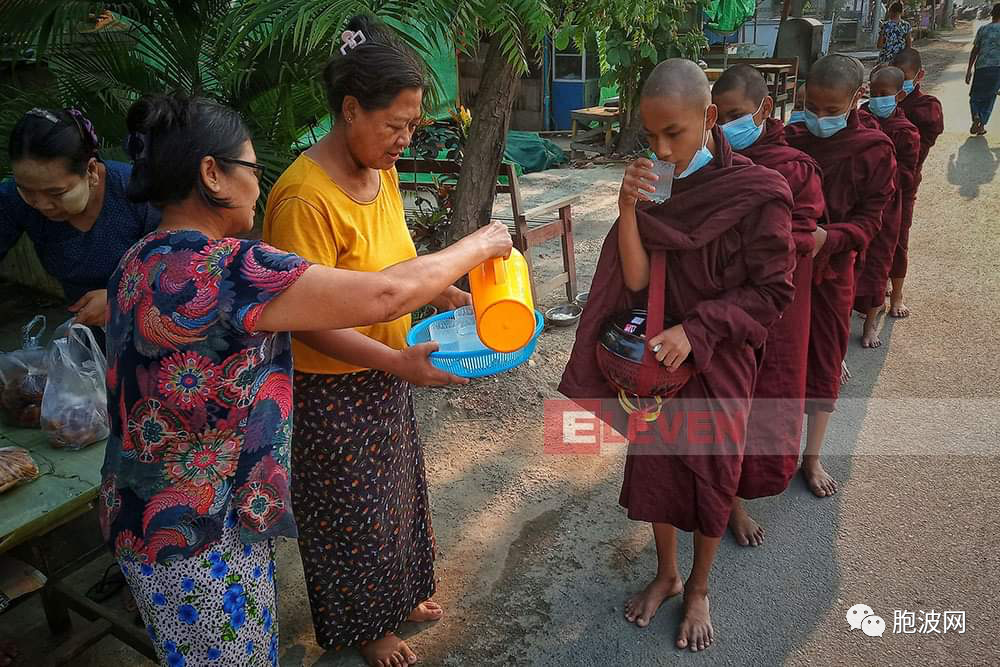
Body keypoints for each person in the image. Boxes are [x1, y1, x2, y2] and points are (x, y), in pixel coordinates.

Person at [100, 93, 511, 667]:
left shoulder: (140, 257)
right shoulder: (231, 268)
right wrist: (480, 245)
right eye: (251, 169)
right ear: (211, 173)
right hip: (199, 530)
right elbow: (383, 293)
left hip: (146, 515)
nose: (259, 185)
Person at [561, 58, 796, 651]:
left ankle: (699, 586)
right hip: (659, 366)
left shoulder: (757, 192)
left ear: (709, 118)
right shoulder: (654, 186)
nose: (663, 149)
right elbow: (636, 282)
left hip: (719, 358)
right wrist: (626, 211)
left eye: (676, 134)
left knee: (714, 472)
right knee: (658, 468)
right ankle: (666, 572)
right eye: (653, 135)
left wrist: (698, 329)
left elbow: (772, 291)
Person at [260, 15, 469, 667]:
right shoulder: (301, 198)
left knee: (397, 496)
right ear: (350, 109)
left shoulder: (383, 170)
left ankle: (400, 595)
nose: (404, 140)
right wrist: (396, 360)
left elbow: (390, 264)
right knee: (350, 520)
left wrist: (439, 293)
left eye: (412, 126)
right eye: (394, 125)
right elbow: (309, 318)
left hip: (384, 373)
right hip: (330, 388)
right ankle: (366, 626)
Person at [712, 64, 827, 546]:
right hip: (721, 298)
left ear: (763, 109)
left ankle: (753, 485)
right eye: (717, 118)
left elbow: (807, 232)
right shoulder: (707, 160)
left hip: (775, 302)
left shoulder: (792, 166)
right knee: (726, 401)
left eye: (736, 115)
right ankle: (729, 501)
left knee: (769, 395)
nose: (724, 129)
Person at [785, 55, 897, 497]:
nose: (819, 118)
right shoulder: (791, 137)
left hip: (831, 272)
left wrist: (827, 238)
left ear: (857, 99)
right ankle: (769, 451)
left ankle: (811, 458)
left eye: (832, 110)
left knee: (827, 362)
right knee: (777, 364)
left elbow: (872, 221)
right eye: (812, 106)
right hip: (784, 273)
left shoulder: (873, 149)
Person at [1, 108, 160, 330]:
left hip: (154, 324)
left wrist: (119, 300)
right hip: (84, 331)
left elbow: (183, 268)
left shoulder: (137, 193)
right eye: (26, 190)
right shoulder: (14, 201)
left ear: (91, 170)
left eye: (56, 193)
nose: (41, 204)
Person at [856, 67, 920, 346]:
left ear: (900, 95)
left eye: (885, 95)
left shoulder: (906, 132)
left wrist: (880, 172)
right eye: (874, 92)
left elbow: (908, 174)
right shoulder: (858, 120)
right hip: (858, 203)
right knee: (854, 264)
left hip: (890, 205)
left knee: (879, 263)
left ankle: (872, 323)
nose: (877, 99)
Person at [891, 47, 944, 317]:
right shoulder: (882, 102)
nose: (899, 88)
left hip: (904, 184)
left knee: (899, 237)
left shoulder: (927, 108)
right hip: (875, 186)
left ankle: (897, 295)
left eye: (905, 79)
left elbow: (918, 151)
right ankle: (875, 287)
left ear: (920, 75)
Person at [965, 4, 1000, 135]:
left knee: (975, 96)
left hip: (981, 67)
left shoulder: (983, 29)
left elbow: (975, 50)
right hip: (997, 68)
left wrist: (969, 70)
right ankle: (982, 122)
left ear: (992, 14)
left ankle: (976, 116)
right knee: (989, 97)